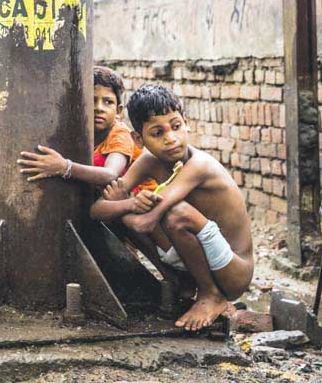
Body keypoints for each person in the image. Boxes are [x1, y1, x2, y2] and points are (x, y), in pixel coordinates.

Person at [92, 85, 254, 332]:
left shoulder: (199, 165)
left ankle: (211, 295)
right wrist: (126, 207)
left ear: (186, 123)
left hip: (233, 271)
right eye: (157, 133)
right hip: (202, 257)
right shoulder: (148, 162)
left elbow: (146, 221)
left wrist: (125, 207)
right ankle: (178, 282)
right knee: (127, 209)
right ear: (139, 139)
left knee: (175, 213)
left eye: (176, 126)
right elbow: (97, 211)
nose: (170, 138)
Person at [17, 66, 157, 189]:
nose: (99, 108)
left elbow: (111, 174)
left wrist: (64, 167)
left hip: (140, 201)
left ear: (119, 111)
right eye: (92, 100)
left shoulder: (120, 133)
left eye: (108, 102)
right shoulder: (85, 132)